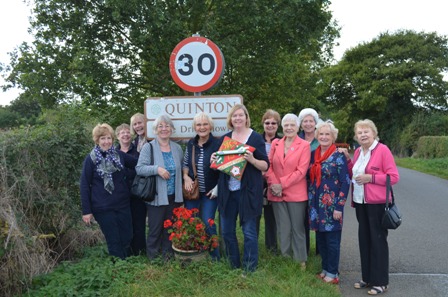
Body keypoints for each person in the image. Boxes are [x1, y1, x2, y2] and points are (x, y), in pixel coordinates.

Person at [211, 104, 269, 272]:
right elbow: (217, 165)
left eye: (240, 115)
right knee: (227, 232)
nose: (237, 118)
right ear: (230, 119)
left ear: (246, 117)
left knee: (249, 233)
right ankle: (234, 265)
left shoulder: (256, 138)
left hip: (248, 193)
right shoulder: (225, 139)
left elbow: (265, 165)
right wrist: (214, 159)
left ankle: (249, 268)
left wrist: (252, 160)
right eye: (234, 116)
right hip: (227, 193)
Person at [347, 119, 400, 295]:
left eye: (366, 131)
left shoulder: (382, 150)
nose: (363, 135)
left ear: (374, 133)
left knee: (378, 242)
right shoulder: (357, 152)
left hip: (377, 204)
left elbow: (393, 177)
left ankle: (381, 282)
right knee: (365, 240)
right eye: (360, 132)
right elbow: (354, 172)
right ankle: (367, 278)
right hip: (361, 202)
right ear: (356, 136)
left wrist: (371, 178)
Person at [80, 123, 138, 259]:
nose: (106, 142)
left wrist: (127, 175)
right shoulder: (90, 159)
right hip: (102, 207)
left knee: (127, 235)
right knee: (113, 240)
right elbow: (84, 185)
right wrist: (86, 211)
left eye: (108, 138)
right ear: (97, 140)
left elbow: (138, 164)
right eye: (103, 139)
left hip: (122, 204)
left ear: (112, 139)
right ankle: (119, 268)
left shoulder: (119, 155)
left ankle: (127, 264)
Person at [135, 115, 184, 260]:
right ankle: (154, 259)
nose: (164, 129)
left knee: (169, 229)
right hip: (156, 197)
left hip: (173, 197)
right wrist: (157, 169)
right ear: (155, 130)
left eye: (167, 126)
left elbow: (181, 169)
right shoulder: (148, 147)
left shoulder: (177, 148)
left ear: (171, 129)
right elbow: (139, 168)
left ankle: (167, 258)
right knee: (155, 230)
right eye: (160, 126)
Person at [265, 113, 310, 269]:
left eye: (292, 125)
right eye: (286, 125)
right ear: (282, 127)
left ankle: (300, 260)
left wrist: (281, 184)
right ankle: (285, 259)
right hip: (276, 192)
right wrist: (274, 183)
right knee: (283, 227)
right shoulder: (275, 143)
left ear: (298, 127)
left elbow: (301, 171)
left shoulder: (304, 145)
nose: (289, 128)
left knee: (297, 228)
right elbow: (268, 165)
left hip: (296, 193)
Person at [308, 121, 351, 284]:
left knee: (332, 241)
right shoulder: (314, 154)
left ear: (333, 137)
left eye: (328, 134)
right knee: (321, 240)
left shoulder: (338, 155)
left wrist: (339, 206)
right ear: (317, 136)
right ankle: (325, 269)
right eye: (321, 134)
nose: (324, 137)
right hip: (316, 205)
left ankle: (333, 273)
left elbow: (346, 182)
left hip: (332, 206)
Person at [183, 112, 220, 259]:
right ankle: (196, 255)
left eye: (205, 124)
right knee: (191, 223)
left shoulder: (218, 143)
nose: (202, 127)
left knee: (208, 223)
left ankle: (214, 257)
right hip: (193, 192)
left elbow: (224, 168)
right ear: (194, 127)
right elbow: (185, 164)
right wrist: (186, 177)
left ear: (210, 126)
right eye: (199, 124)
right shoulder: (191, 143)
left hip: (211, 193)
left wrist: (218, 188)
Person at [115, 123, 146, 256]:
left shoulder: (139, 153)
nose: (125, 135)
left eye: (127, 132)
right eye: (122, 133)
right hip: (120, 196)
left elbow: (141, 170)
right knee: (124, 225)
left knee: (139, 225)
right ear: (117, 136)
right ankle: (126, 253)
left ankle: (140, 252)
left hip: (137, 194)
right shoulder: (113, 154)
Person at [256, 109, 281, 253]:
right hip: (257, 181)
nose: (270, 125)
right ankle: (255, 246)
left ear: (278, 125)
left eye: (273, 123)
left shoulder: (282, 141)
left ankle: (271, 248)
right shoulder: (256, 139)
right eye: (267, 122)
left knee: (271, 217)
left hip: (274, 181)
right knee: (256, 214)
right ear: (263, 124)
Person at [298, 107, 320, 255]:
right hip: (300, 182)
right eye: (305, 121)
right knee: (302, 217)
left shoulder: (321, 138)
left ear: (315, 123)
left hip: (317, 182)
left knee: (319, 215)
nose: (308, 124)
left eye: (310, 121)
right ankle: (303, 250)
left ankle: (320, 251)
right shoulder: (297, 138)